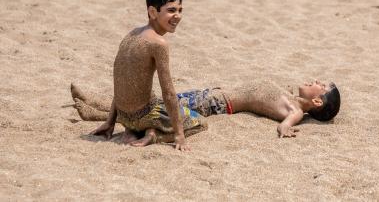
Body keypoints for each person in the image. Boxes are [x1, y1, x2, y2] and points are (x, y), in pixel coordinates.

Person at [87, 0, 202, 151]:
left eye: (180, 10)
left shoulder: (131, 34)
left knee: (155, 101)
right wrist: (179, 135)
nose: (177, 16)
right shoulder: (158, 43)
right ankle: (154, 134)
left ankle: (136, 131)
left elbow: (121, 81)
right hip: (145, 116)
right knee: (199, 122)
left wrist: (110, 122)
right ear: (153, 12)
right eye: (171, 10)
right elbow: (168, 92)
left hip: (124, 117)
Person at [69, 79, 341, 146]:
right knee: (165, 101)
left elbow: (285, 125)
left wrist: (288, 129)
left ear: (317, 102)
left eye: (320, 84)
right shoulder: (292, 98)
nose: (313, 80)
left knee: (163, 103)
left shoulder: (294, 110)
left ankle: (94, 109)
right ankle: (96, 105)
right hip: (215, 95)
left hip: (216, 103)